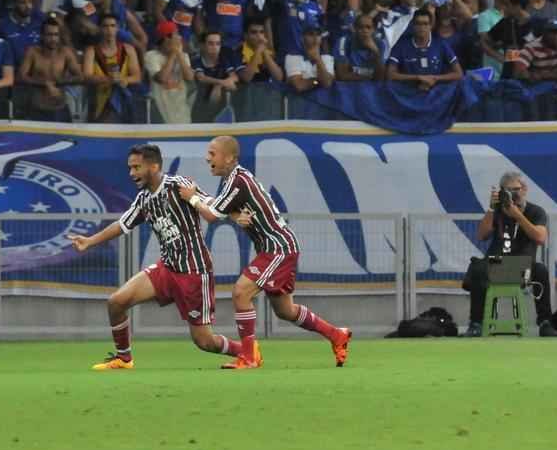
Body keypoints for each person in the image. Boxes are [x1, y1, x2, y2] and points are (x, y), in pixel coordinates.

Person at [66, 144, 247, 370]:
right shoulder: (144, 199)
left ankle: (247, 352)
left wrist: (237, 215)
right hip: (167, 269)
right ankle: (124, 359)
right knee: (116, 302)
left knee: (204, 341)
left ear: (154, 166)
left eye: (136, 167)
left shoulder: (179, 185)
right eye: (130, 168)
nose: (132, 173)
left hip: (194, 271)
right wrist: (90, 241)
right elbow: (122, 224)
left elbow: (211, 203)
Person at [179, 135, 351, 369]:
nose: (207, 157)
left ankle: (249, 357)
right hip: (277, 247)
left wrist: (192, 198)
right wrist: (224, 210)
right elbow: (221, 207)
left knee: (241, 292)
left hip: (278, 248)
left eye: (212, 153)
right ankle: (336, 335)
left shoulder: (237, 181)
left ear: (229, 157)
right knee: (285, 310)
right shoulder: (235, 180)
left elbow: (211, 215)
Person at [462, 172, 557, 337]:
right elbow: (481, 235)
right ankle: (476, 324)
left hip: (523, 269)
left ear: (525, 189)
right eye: (508, 191)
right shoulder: (496, 211)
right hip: (496, 265)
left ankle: (545, 323)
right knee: (478, 267)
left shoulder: (536, 211)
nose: (514, 194)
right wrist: (491, 208)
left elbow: (541, 237)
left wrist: (518, 216)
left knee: (541, 270)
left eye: (516, 190)